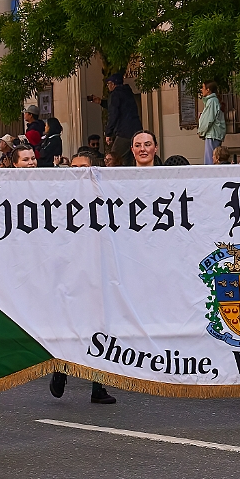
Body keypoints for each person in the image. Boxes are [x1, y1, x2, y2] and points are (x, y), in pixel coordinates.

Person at [47, 151, 117, 403]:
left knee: (99, 327)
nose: (78, 171)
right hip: (69, 269)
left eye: (82, 167)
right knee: (71, 322)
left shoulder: (104, 196)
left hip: (98, 267)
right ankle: (62, 368)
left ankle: (98, 386)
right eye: (74, 167)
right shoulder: (58, 198)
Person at [94, 74, 143, 163]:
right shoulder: (127, 92)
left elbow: (113, 113)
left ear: (113, 84)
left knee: (114, 158)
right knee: (129, 159)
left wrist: (108, 133)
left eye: (109, 84)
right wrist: (101, 102)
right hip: (136, 130)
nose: (108, 86)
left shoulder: (115, 94)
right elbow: (121, 108)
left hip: (124, 132)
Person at [198, 82, 227, 165]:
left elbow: (209, 119)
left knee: (211, 161)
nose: (201, 90)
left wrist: (201, 131)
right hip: (213, 134)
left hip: (212, 134)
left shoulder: (212, 101)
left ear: (208, 90)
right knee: (212, 159)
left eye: (203, 87)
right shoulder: (212, 101)